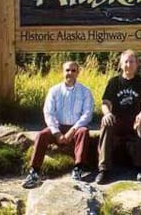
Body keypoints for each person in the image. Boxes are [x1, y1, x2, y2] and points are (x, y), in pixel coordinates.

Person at [22, 61, 94, 189]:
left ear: (78, 73)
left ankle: (78, 169)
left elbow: (87, 114)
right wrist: (56, 132)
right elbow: (48, 113)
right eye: (67, 70)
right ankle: (34, 172)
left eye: (73, 71)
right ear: (63, 72)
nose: (70, 73)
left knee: (83, 132)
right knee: (42, 135)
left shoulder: (85, 91)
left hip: (76, 127)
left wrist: (73, 130)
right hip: (58, 126)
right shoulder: (54, 91)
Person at [95, 49, 141, 184]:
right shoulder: (114, 82)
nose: (129, 64)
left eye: (132, 61)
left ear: (136, 64)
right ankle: (104, 169)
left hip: (135, 120)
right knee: (106, 123)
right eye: (126, 61)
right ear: (121, 65)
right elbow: (105, 103)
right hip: (118, 120)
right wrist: (107, 113)